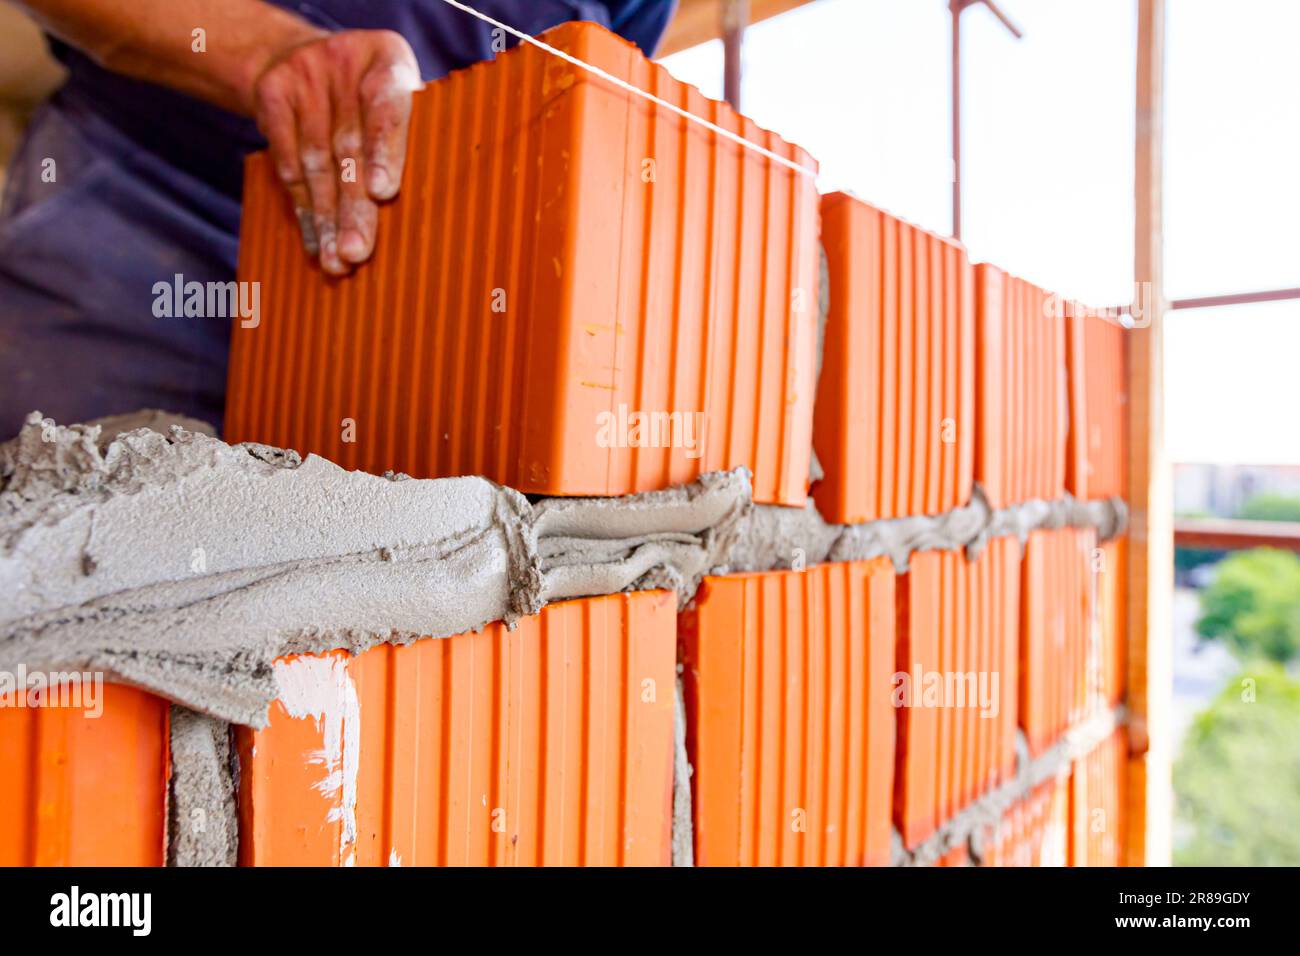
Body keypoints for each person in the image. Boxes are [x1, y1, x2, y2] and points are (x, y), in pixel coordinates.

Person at [0, 0, 675, 435]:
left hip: (400, 275)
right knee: (57, 540)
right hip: (148, 193)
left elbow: (586, 102)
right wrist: (265, 52)